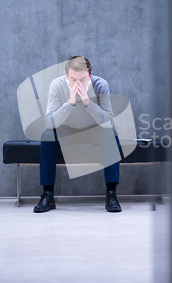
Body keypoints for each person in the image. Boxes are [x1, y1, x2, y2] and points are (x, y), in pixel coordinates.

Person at [33, 56, 122, 213]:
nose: (78, 84)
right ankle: (48, 195)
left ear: (90, 75)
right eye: (73, 79)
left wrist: (88, 103)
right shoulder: (57, 85)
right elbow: (49, 122)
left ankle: (111, 194)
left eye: (83, 79)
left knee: (111, 135)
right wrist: (70, 104)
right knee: (47, 135)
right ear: (67, 76)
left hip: (94, 130)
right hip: (66, 130)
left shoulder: (100, 85)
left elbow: (109, 122)